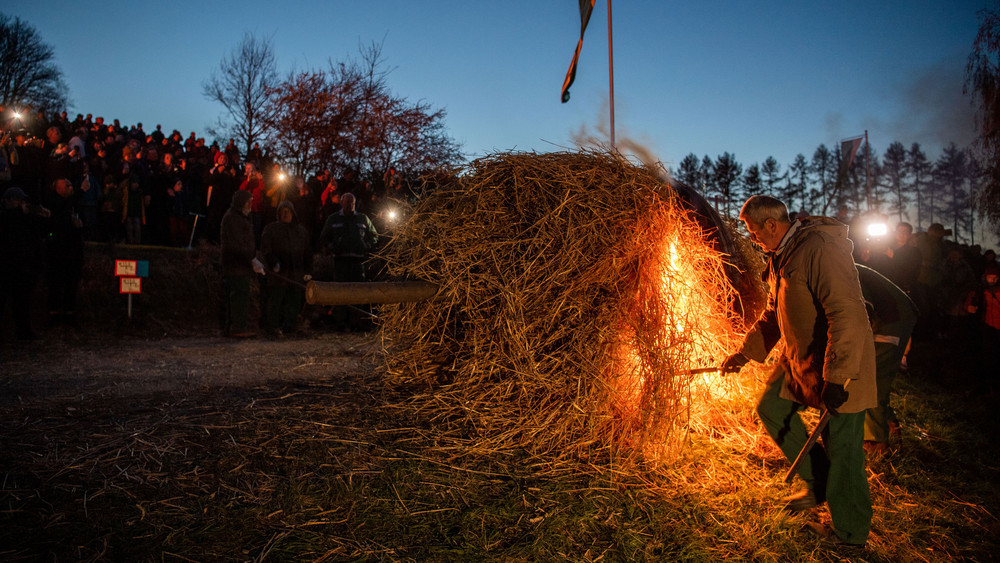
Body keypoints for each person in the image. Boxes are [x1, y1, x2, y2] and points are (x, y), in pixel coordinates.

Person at [721, 195, 876, 548]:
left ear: (772, 225)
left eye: (753, 230)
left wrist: (838, 376)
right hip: (801, 361)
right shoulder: (782, 257)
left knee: (843, 448)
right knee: (772, 409)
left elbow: (848, 313)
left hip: (839, 365)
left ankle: (850, 534)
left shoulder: (819, 248)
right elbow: (775, 314)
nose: (752, 238)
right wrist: (745, 354)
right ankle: (818, 481)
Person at [855, 264, 918, 456]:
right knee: (867, 375)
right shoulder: (830, 264)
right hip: (884, 317)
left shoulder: (839, 269)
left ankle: (876, 442)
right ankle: (888, 423)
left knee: (872, 377)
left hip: (892, 319)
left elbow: (863, 309)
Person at [318, 192, 378, 331]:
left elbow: (374, 236)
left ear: (354, 203)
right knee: (340, 290)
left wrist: (366, 245)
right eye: (346, 202)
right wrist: (332, 247)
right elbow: (323, 237)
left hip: (358, 261)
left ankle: (357, 322)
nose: (349, 205)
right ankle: (340, 322)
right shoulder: (333, 219)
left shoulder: (363, 219)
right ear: (341, 203)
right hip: (340, 261)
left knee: (358, 290)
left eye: (351, 202)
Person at [0, 187, 50, 341]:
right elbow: (8, 226)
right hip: (7, 265)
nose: (22, 203)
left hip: (24, 265)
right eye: (18, 200)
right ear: (8, 201)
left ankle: (23, 330)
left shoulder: (26, 218)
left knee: (22, 301)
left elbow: (42, 233)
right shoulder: (7, 216)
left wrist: (43, 218)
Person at [260, 201, 313, 337]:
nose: (285, 213)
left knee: (294, 300)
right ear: (278, 214)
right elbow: (266, 248)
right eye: (283, 211)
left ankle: (290, 325)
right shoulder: (271, 229)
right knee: (275, 300)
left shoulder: (301, 231)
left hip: (296, 272)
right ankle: (272, 326)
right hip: (279, 272)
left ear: (293, 213)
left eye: (288, 211)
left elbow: (307, 252)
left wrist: (308, 271)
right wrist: (273, 263)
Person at [220, 190, 263, 338]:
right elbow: (236, 244)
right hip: (235, 265)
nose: (251, 204)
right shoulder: (233, 219)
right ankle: (236, 327)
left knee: (240, 295)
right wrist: (250, 259)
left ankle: (235, 326)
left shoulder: (242, 218)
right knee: (237, 296)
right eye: (248, 201)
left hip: (241, 265)